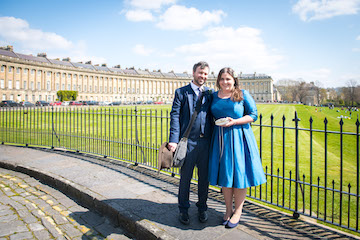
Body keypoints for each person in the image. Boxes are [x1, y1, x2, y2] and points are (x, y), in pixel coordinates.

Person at [208, 67, 266, 228]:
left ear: (234, 80)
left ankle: (238, 211)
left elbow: (253, 115)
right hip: (220, 138)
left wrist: (235, 121)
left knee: (239, 175)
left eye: (228, 79)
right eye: (222, 79)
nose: (225, 82)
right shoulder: (213, 96)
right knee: (226, 176)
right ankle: (227, 210)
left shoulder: (242, 94)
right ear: (218, 81)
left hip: (239, 137)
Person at [168, 61, 214, 225]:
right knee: (185, 179)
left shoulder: (210, 93)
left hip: (206, 143)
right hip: (188, 143)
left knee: (204, 180)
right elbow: (174, 116)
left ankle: (202, 208)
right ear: (193, 73)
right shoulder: (181, 92)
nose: (203, 76)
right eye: (200, 73)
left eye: (205, 74)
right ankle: (184, 210)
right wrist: (173, 140)